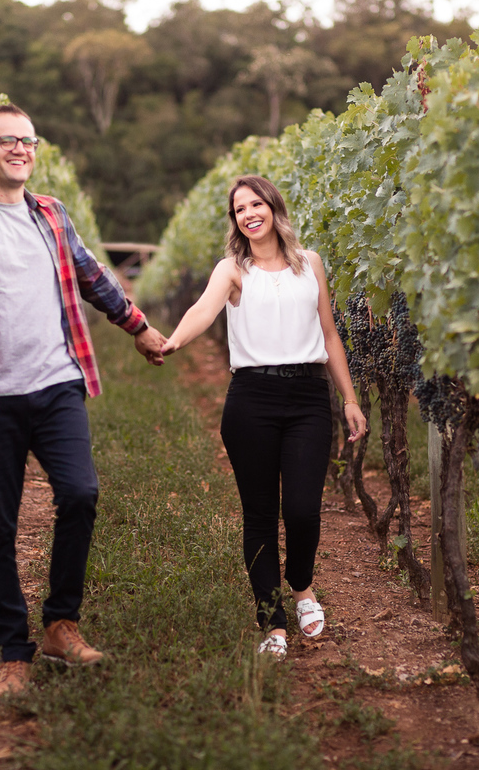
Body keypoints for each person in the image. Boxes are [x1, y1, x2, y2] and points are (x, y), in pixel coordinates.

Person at [0, 104, 167, 698]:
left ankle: (62, 624)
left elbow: (92, 276)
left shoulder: (52, 214)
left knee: (81, 494)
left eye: (28, 140)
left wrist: (137, 326)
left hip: (58, 383)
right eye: (6, 140)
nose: (20, 149)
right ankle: (14, 652)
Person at [161, 175, 367, 659]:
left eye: (256, 204)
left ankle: (302, 587)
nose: (249, 214)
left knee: (302, 510)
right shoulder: (233, 270)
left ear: (274, 208)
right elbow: (203, 310)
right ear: (235, 221)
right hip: (252, 399)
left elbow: (329, 334)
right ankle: (273, 623)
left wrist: (350, 398)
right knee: (259, 515)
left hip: (308, 398)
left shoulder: (310, 263)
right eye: (240, 209)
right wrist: (173, 342)